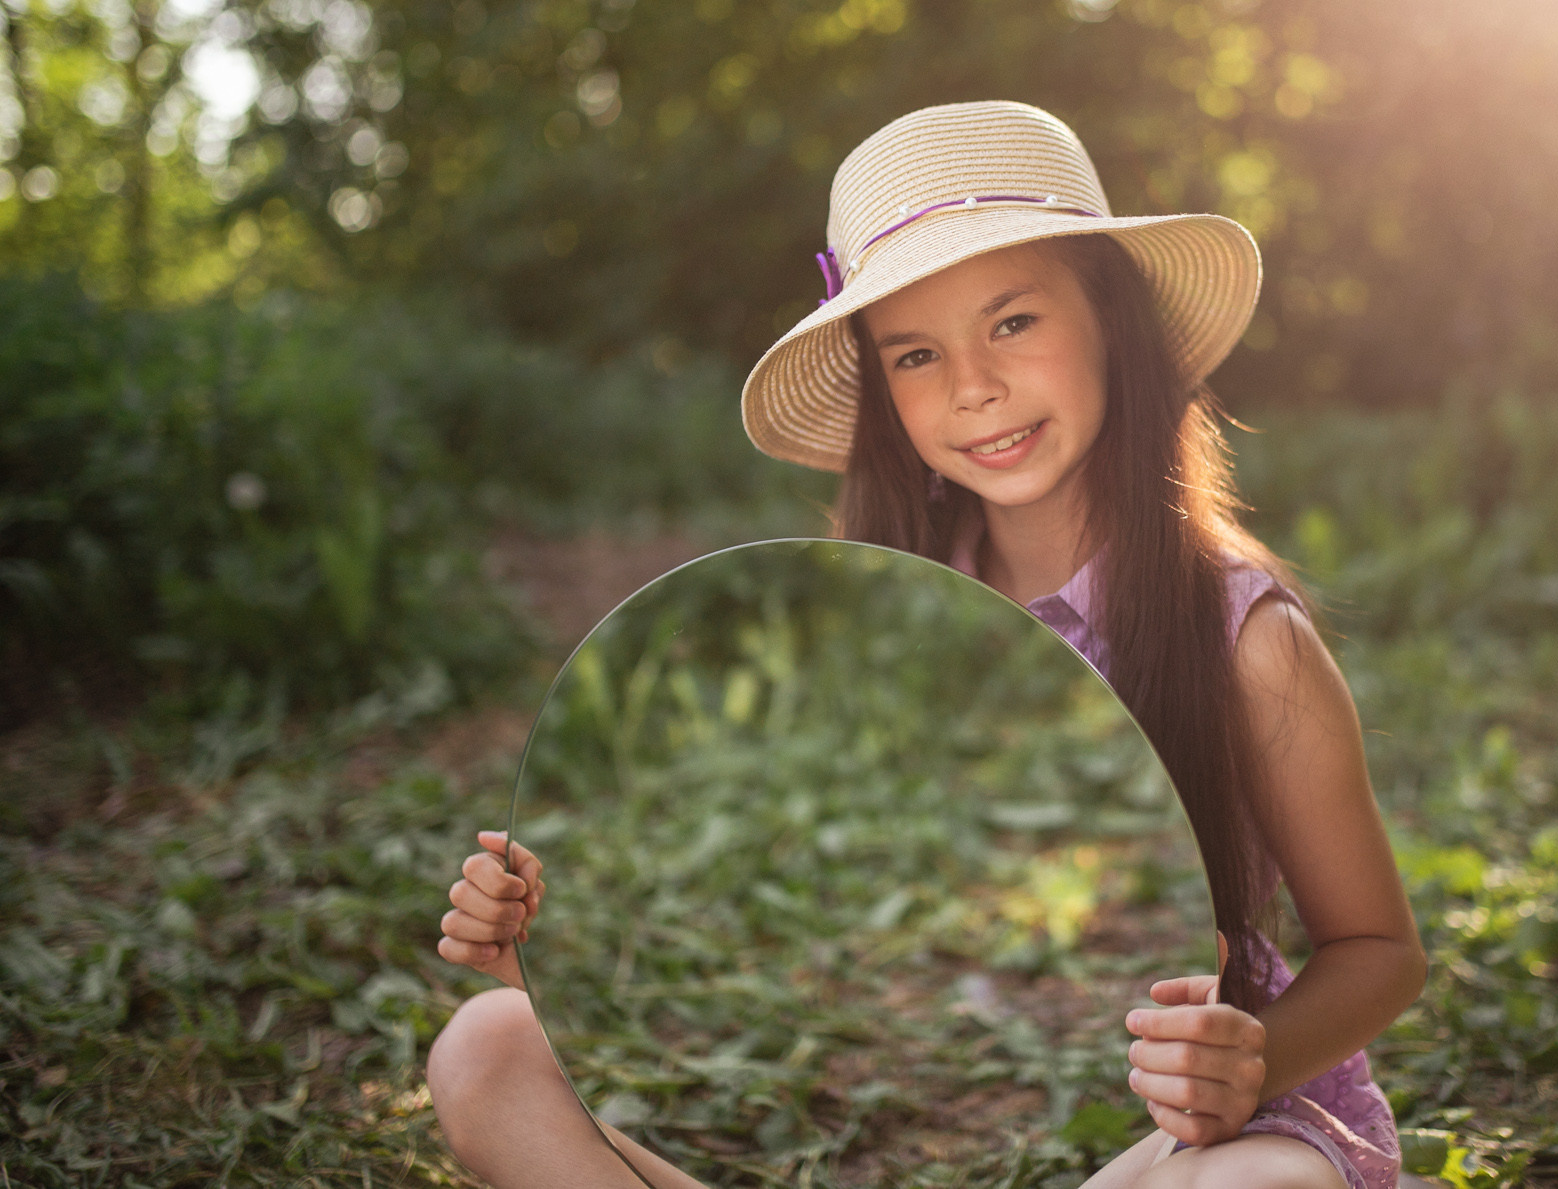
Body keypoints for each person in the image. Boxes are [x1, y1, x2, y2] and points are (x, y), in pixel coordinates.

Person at [428, 101, 1427, 1189]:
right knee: (485, 1050)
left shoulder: (1242, 639)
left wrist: (1246, 1061)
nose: (971, 388)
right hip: (932, 1104)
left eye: (1011, 323)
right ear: (882, 395)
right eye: (913, 354)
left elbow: (1378, 951)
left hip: (1177, 1139)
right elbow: (800, 911)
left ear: (1112, 323)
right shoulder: (872, 616)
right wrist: (549, 954)